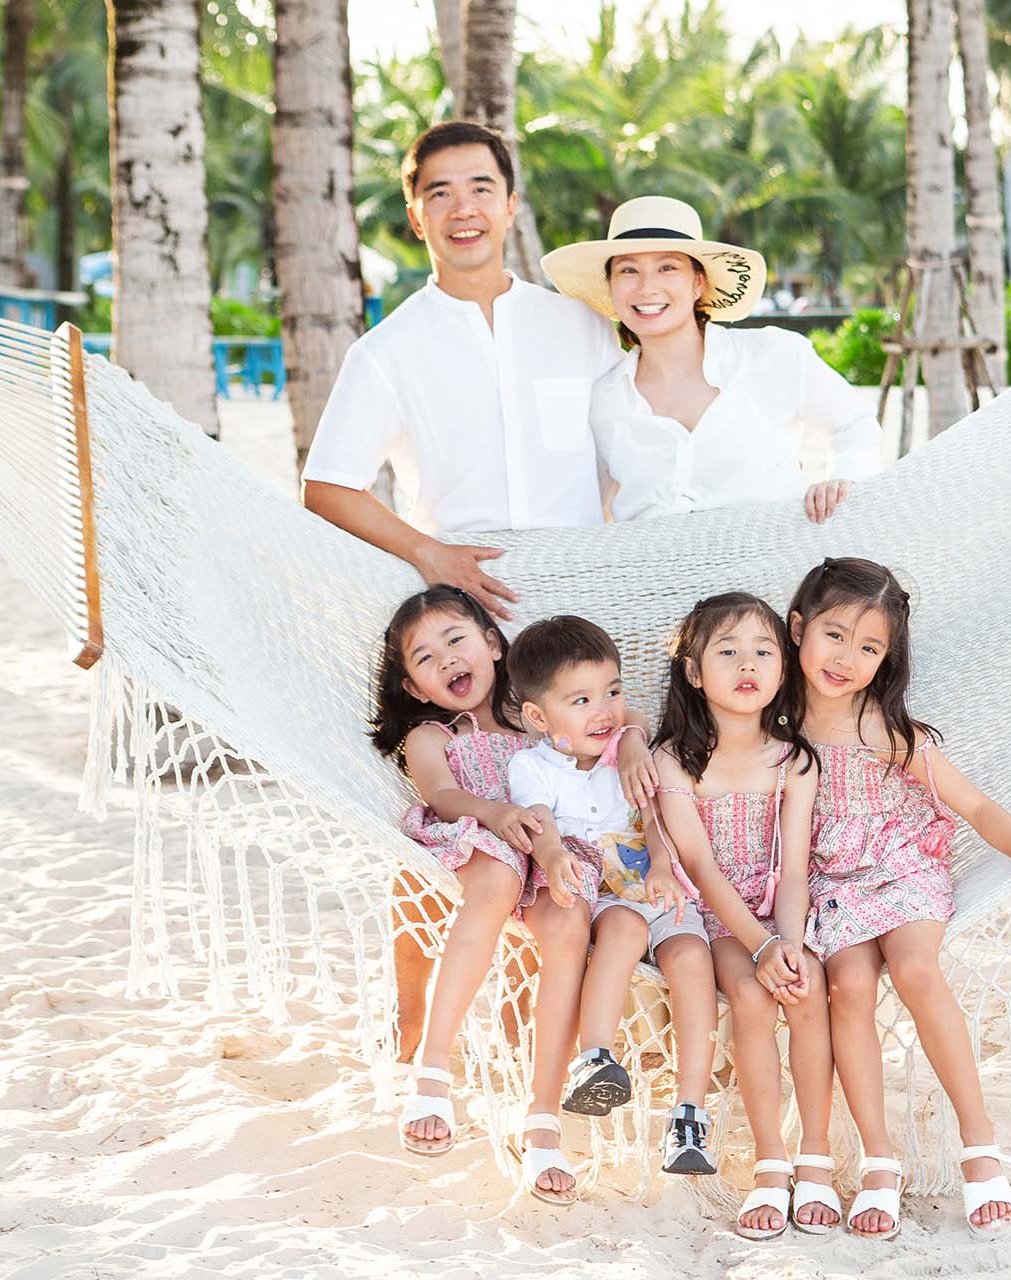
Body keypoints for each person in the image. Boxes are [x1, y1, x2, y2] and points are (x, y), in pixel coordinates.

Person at [786, 557, 1011, 1240]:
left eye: (870, 648)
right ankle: (878, 1161)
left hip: (903, 869)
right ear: (798, 627)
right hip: (831, 885)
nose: (848, 657)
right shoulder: (774, 724)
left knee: (917, 970)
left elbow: (975, 806)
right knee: (848, 990)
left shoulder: (887, 731)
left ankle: (979, 1147)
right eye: (835, 635)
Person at [302, 121, 621, 620]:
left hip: (587, 594)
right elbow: (327, 487)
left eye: (481, 189)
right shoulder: (385, 350)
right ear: (416, 217)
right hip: (462, 610)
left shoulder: (584, 325)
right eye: (440, 193)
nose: (463, 209)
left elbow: (629, 452)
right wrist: (428, 552)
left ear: (511, 205)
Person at [368, 586, 621, 1204]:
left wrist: (634, 743)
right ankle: (433, 1071)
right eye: (425, 658)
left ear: (492, 643)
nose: (447, 659)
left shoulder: (540, 713)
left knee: (567, 923)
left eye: (456, 640)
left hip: (553, 848)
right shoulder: (433, 734)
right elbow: (441, 795)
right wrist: (496, 813)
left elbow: (623, 722)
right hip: (481, 837)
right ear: (414, 689)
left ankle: (541, 1119)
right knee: (497, 876)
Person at [650, 592, 841, 1239]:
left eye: (763, 651)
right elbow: (700, 867)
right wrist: (759, 949)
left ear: (783, 668)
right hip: (710, 920)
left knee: (807, 987)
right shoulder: (674, 759)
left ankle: (813, 1154)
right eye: (726, 652)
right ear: (694, 672)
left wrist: (788, 945)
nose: (747, 664)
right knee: (754, 1000)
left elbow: (791, 869)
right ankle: (769, 1161)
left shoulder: (794, 758)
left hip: (776, 913)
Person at [505, 616, 722, 1179]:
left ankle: (689, 1113)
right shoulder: (531, 766)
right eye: (581, 699)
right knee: (622, 932)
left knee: (693, 958)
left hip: (657, 880)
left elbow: (651, 817)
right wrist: (553, 860)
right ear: (537, 717)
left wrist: (660, 865)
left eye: (613, 692)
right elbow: (542, 826)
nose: (604, 709)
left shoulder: (626, 751)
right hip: (605, 890)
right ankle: (594, 1058)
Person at [540, 195, 880, 525]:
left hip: (775, 576)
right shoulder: (602, 399)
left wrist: (842, 481)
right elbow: (584, 507)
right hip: (654, 580)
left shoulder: (774, 354)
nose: (647, 287)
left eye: (667, 267)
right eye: (628, 271)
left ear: (697, 282)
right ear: (611, 287)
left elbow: (856, 425)